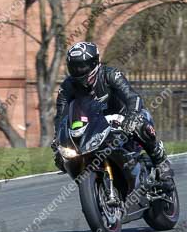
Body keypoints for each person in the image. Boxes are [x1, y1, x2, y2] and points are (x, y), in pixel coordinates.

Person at [51, 41, 175, 191]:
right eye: (75, 67)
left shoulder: (110, 74)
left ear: (94, 63)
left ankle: (160, 161)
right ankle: (95, 188)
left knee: (141, 124)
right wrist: (58, 138)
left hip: (122, 118)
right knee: (64, 156)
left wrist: (132, 115)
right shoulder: (67, 87)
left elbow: (132, 97)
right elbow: (61, 116)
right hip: (91, 127)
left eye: (82, 66)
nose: (79, 70)